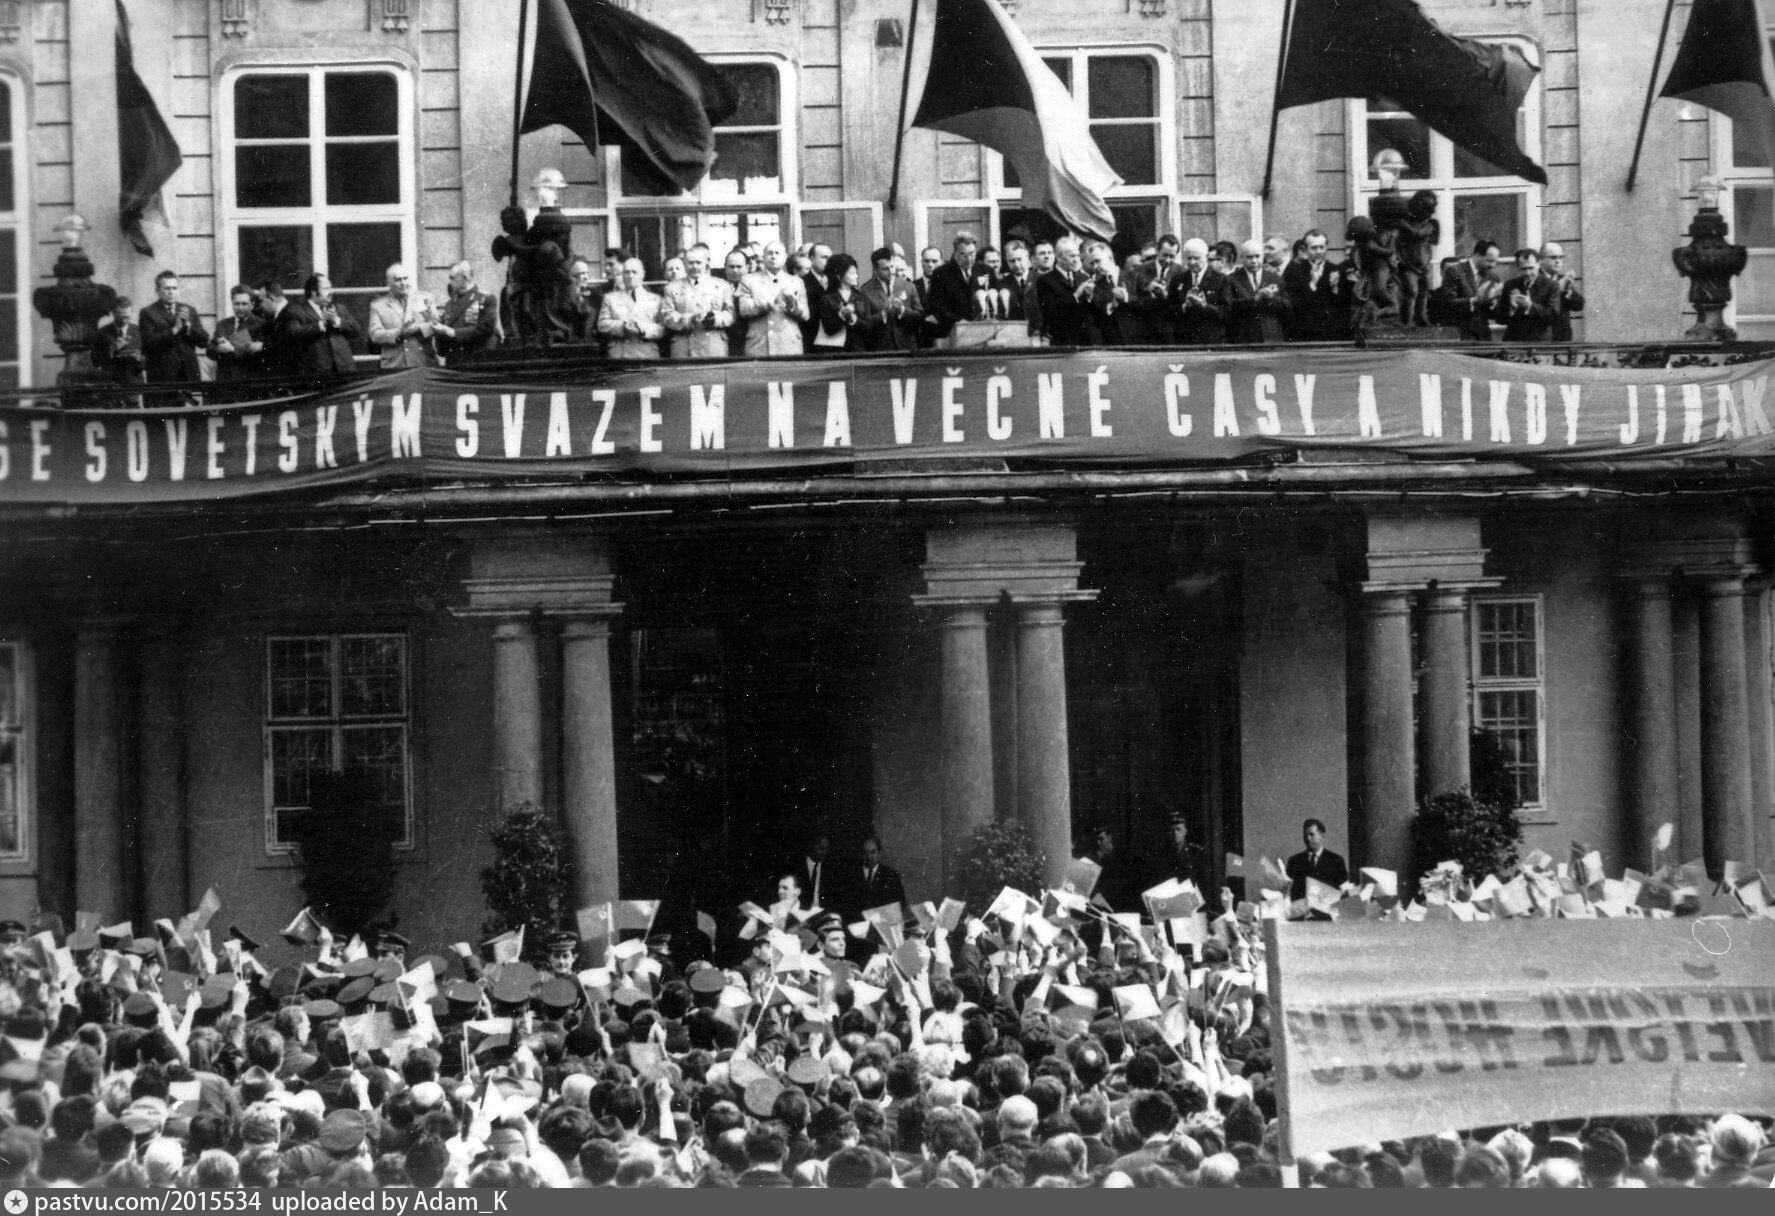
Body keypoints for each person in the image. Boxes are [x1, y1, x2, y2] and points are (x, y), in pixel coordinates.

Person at [661, 244, 736, 359]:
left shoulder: (721, 286)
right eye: (690, 263)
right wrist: (689, 319)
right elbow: (668, 315)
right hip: (684, 348)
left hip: (713, 346)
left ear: (706, 264)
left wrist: (715, 319)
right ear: (684, 264)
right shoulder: (673, 288)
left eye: (698, 262)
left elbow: (731, 314)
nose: (694, 266)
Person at [279, 274, 361, 378]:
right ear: (313, 292)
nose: (331, 292)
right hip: (317, 374)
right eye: (326, 288)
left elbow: (357, 330)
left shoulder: (340, 309)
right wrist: (321, 325)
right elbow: (293, 333)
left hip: (345, 371)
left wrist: (337, 321)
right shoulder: (295, 311)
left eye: (330, 288)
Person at [736, 240, 809, 356]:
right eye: (770, 253)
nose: (773, 256)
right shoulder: (749, 280)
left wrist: (793, 306)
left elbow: (806, 314)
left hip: (789, 344)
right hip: (759, 344)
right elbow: (744, 309)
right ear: (763, 257)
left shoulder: (796, 281)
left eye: (777, 253)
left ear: (784, 258)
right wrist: (770, 302)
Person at [139, 271, 209, 386]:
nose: (171, 292)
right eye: (167, 288)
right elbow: (148, 343)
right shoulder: (148, 312)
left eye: (174, 288)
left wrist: (189, 328)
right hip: (162, 376)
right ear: (157, 290)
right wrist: (174, 330)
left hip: (188, 374)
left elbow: (204, 342)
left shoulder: (189, 310)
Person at [367, 264, 439, 368]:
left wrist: (418, 329)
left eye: (405, 278)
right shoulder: (378, 305)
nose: (403, 283)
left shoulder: (425, 299)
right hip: (394, 363)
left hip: (423, 360)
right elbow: (375, 335)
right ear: (388, 283)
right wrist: (398, 333)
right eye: (398, 280)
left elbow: (437, 324)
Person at [1219, 239, 1289, 344]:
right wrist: (1254, 299)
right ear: (1242, 257)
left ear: (1263, 256)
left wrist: (1272, 298)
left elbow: (1287, 306)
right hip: (1244, 339)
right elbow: (1228, 308)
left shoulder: (1275, 278)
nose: (1254, 261)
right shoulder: (1231, 279)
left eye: (1257, 256)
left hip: (1271, 339)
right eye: (1249, 257)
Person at [1431, 239, 1503, 341]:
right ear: (1478, 255)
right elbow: (1447, 302)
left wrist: (1493, 303)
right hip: (1459, 336)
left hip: (1483, 336)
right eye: (1490, 260)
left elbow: (1494, 315)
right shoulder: (1455, 272)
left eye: (1496, 261)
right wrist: (1473, 300)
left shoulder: (1493, 277)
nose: (1493, 265)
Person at [1281, 229, 1347, 341]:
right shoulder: (1294, 271)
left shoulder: (1336, 270)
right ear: (1306, 249)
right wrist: (1312, 284)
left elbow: (1342, 307)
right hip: (1304, 333)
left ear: (1326, 247)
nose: (1318, 251)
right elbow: (1293, 304)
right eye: (1314, 248)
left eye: (1321, 247)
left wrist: (1335, 289)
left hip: (1330, 334)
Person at [596, 258, 665, 360]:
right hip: (620, 354)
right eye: (626, 272)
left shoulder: (656, 299)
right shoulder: (610, 298)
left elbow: (663, 328)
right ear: (622, 275)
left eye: (634, 272)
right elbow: (602, 325)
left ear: (642, 274)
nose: (630, 276)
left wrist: (643, 328)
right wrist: (622, 326)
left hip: (647, 354)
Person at [858, 245, 921, 353]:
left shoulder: (909, 287)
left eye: (892, 266)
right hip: (880, 350)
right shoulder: (865, 291)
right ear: (875, 270)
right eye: (885, 269)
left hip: (907, 348)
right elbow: (864, 324)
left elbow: (919, 316)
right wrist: (883, 314)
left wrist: (903, 310)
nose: (891, 271)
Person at [434, 261, 501, 361]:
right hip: (455, 360)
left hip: (477, 359)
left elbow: (486, 329)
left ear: (465, 277)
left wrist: (454, 332)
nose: (450, 282)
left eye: (452, 278)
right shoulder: (450, 304)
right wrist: (439, 330)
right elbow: (442, 349)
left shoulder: (486, 299)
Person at [812, 253, 878, 354]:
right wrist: (841, 316)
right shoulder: (826, 299)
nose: (857, 276)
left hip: (858, 350)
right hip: (835, 352)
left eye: (856, 272)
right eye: (852, 273)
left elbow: (869, 327)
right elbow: (828, 329)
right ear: (839, 276)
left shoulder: (862, 298)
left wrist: (853, 319)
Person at [1035, 235, 1095, 347]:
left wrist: (1089, 298)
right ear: (1059, 257)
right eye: (1072, 256)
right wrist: (1076, 295)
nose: (1076, 260)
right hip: (1062, 342)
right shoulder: (1045, 281)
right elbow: (1052, 314)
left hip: (1085, 341)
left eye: (1077, 255)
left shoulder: (1083, 278)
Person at [922, 233, 983, 339]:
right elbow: (936, 306)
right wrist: (958, 321)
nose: (969, 259)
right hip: (952, 332)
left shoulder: (985, 270)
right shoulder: (941, 273)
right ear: (955, 253)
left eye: (972, 254)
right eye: (964, 255)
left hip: (981, 331)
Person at [1285, 818, 1349, 918]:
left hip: (1326, 917)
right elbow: (1287, 891)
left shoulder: (1336, 860)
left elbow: (1344, 890)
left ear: (1322, 836)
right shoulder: (1294, 861)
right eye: (1305, 835)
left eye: (1311, 834)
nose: (1307, 838)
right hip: (1300, 917)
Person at [207, 285, 268, 385]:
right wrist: (219, 349)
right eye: (237, 304)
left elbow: (259, 352)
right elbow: (209, 349)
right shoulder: (223, 324)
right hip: (224, 381)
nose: (240, 308)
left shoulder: (261, 325)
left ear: (252, 305)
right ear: (232, 303)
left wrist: (232, 349)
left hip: (249, 381)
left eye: (244, 304)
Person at [1495, 247, 1559, 342]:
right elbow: (1500, 319)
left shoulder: (1551, 285)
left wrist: (1530, 306)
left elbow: (1553, 316)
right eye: (1523, 269)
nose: (1527, 273)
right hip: (1513, 342)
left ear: (1539, 264)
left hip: (1539, 342)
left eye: (1531, 268)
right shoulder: (1510, 285)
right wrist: (1511, 309)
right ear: (1517, 267)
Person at [1171, 239, 1227, 345]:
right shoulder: (1177, 280)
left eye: (1196, 258)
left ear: (1206, 257)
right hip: (1184, 341)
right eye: (1189, 258)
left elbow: (1226, 312)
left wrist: (1205, 306)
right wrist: (1184, 306)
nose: (1192, 262)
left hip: (1211, 340)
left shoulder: (1221, 279)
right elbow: (1168, 310)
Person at [92, 296, 147, 389]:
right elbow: (95, 361)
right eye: (122, 317)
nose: (125, 320)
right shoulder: (102, 333)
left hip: (135, 384)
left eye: (128, 316)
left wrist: (140, 359)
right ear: (113, 313)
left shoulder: (139, 331)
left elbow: (149, 356)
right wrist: (112, 349)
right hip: (111, 385)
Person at [1540, 242, 1585, 341]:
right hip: (1541, 338)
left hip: (1562, 337)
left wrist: (1569, 291)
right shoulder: (1535, 278)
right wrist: (1557, 288)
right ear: (1541, 260)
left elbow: (1578, 306)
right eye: (1553, 257)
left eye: (1561, 257)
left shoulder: (1563, 279)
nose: (1558, 261)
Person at [851, 835, 906, 915]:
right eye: (865, 853)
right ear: (860, 854)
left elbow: (900, 903)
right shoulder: (852, 876)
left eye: (873, 852)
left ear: (879, 853)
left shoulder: (891, 875)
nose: (869, 857)